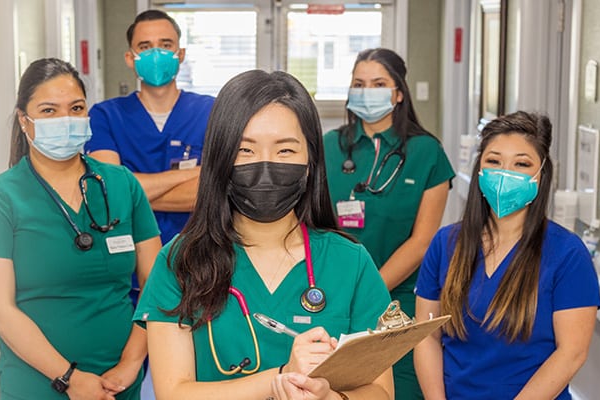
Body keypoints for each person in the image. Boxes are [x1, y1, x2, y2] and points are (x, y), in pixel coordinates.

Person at [134, 69, 394, 400]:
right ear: (219, 158)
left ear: (311, 160)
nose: (266, 166)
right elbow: (173, 393)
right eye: (245, 151)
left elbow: (381, 392)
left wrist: (329, 397)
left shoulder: (350, 263)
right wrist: (282, 377)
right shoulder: (180, 261)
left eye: (285, 151)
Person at [0, 58, 163, 400]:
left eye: (76, 108)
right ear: (23, 120)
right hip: (38, 385)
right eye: (49, 110)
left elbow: (157, 286)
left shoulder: (121, 184)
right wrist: (70, 379)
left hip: (118, 383)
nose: (66, 120)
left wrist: (131, 364)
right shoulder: (0, 198)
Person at [413, 111, 600, 399]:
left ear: (541, 174)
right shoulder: (446, 244)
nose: (505, 173)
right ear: (479, 169)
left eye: (521, 164)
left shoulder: (567, 254)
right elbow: (426, 336)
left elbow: (572, 353)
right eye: (494, 161)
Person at [321, 48, 454, 400]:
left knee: (401, 389)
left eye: (379, 84)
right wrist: (344, 295)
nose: (367, 92)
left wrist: (368, 292)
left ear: (398, 94)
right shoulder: (329, 147)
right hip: (334, 296)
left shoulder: (427, 152)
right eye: (359, 84)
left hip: (399, 305)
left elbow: (422, 242)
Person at [85, 9, 215, 244]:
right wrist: (193, 174)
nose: (156, 54)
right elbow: (108, 190)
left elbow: (216, 193)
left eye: (166, 45)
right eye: (145, 47)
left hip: (197, 250)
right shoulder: (105, 115)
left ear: (180, 54)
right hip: (129, 250)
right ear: (130, 58)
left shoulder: (212, 111)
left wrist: (129, 194)